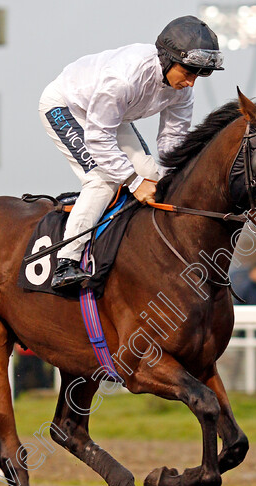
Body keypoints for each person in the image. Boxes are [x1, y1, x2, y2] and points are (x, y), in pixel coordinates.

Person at [39, 16, 225, 290]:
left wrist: (173, 175)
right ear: (167, 59)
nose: (191, 83)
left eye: (199, 74)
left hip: (109, 117)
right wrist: (133, 183)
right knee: (103, 181)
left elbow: (172, 142)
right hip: (67, 107)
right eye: (188, 72)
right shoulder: (123, 78)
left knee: (154, 174)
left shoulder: (182, 91)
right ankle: (66, 260)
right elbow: (98, 137)